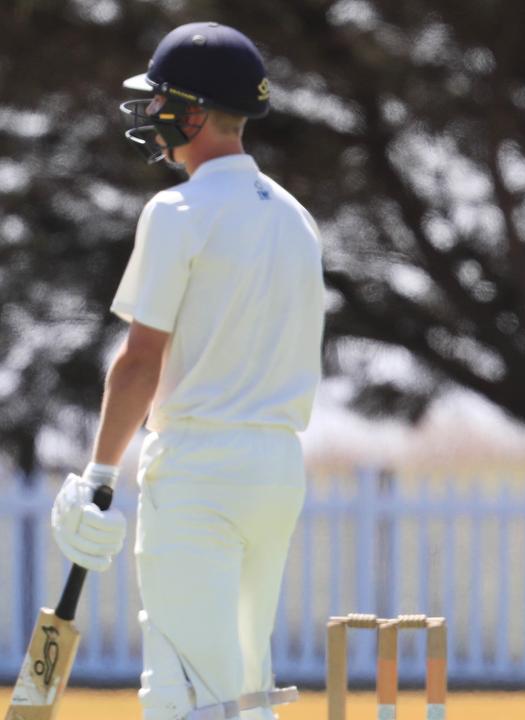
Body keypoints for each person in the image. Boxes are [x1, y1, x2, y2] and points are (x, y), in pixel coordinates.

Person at [49, 22, 324, 720]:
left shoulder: (178, 211)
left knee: (188, 692)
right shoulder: (297, 219)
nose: (148, 115)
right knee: (242, 684)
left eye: (159, 101)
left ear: (192, 113)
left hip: (200, 469)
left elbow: (140, 362)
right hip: (278, 470)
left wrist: (99, 477)